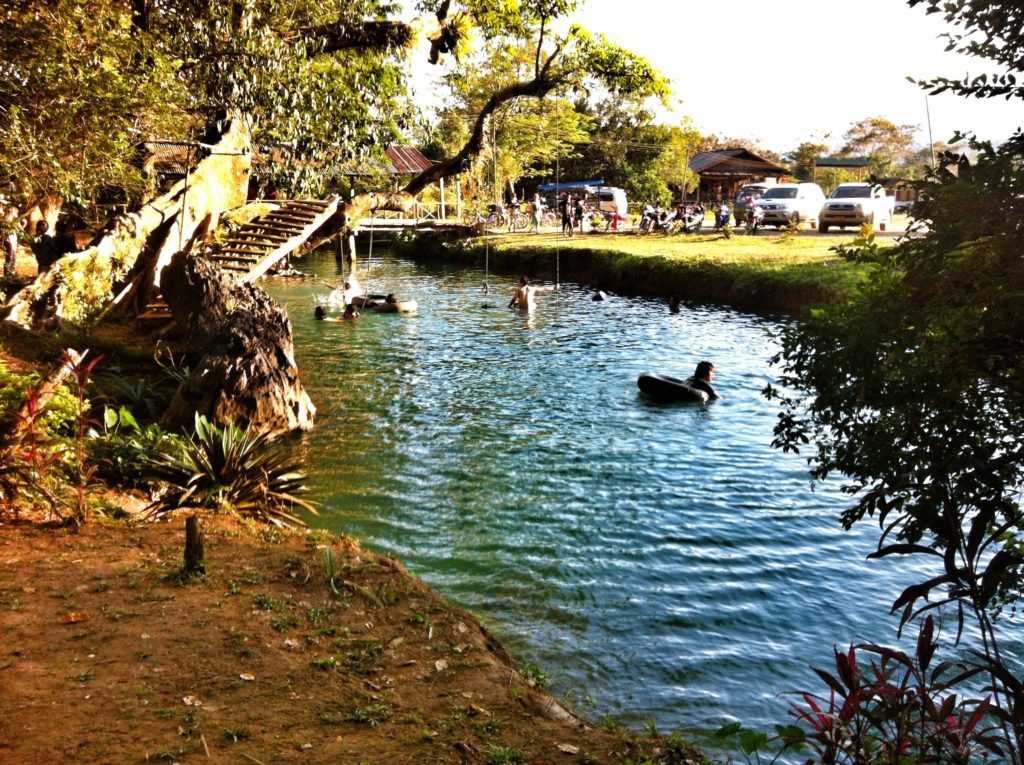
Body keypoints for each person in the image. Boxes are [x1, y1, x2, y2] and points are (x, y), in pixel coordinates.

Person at [1, 197, 18, 278]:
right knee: (10, 258)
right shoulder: (5, 217)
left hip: (13, 239)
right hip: (8, 240)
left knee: (14, 258)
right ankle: (7, 276)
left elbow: (20, 226)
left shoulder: (14, 217)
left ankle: (12, 274)